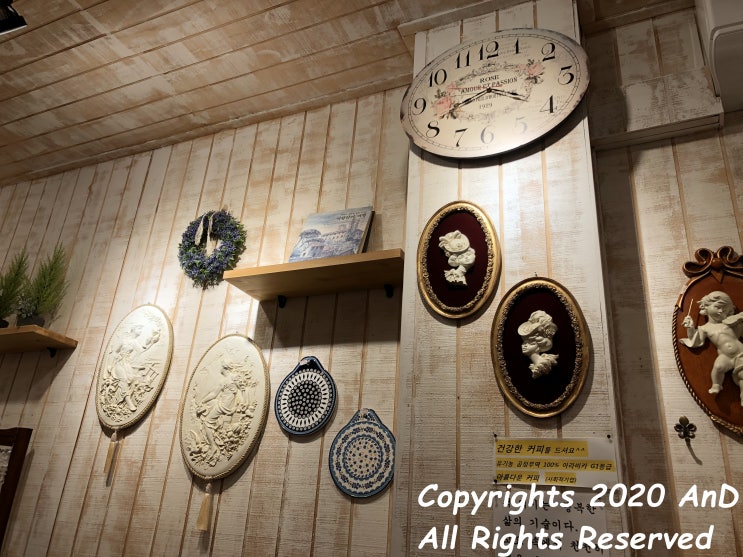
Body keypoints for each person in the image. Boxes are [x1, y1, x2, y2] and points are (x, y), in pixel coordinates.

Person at [681, 291, 743, 403]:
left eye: (725, 309)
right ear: (706, 306)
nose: (721, 311)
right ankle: (716, 385)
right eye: (718, 307)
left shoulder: (729, 323)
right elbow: (696, 341)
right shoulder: (705, 328)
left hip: (740, 352)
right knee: (718, 367)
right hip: (725, 356)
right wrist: (690, 327)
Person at [518, 310, 559, 378]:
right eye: (524, 342)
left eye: (531, 343)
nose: (524, 345)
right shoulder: (537, 363)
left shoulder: (541, 365)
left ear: (539, 346)